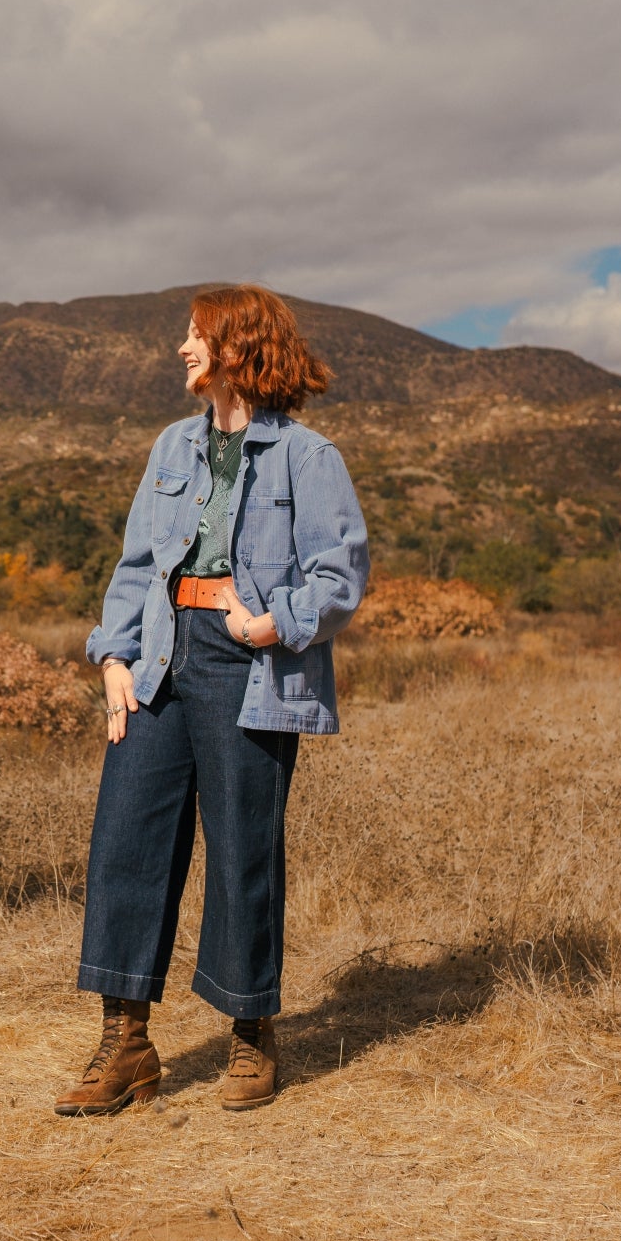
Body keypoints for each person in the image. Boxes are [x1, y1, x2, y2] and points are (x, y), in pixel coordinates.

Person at [55, 286, 369, 1115]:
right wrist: (113, 657)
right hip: (159, 658)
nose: (182, 349)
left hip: (247, 664)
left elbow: (341, 576)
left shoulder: (308, 457)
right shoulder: (170, 447)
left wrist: (273, 624)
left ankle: (251, 1032)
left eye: (196, 337)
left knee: (242, 851)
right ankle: (126, 1045)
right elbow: (134, 565)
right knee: (126, 840)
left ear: (238, 348)